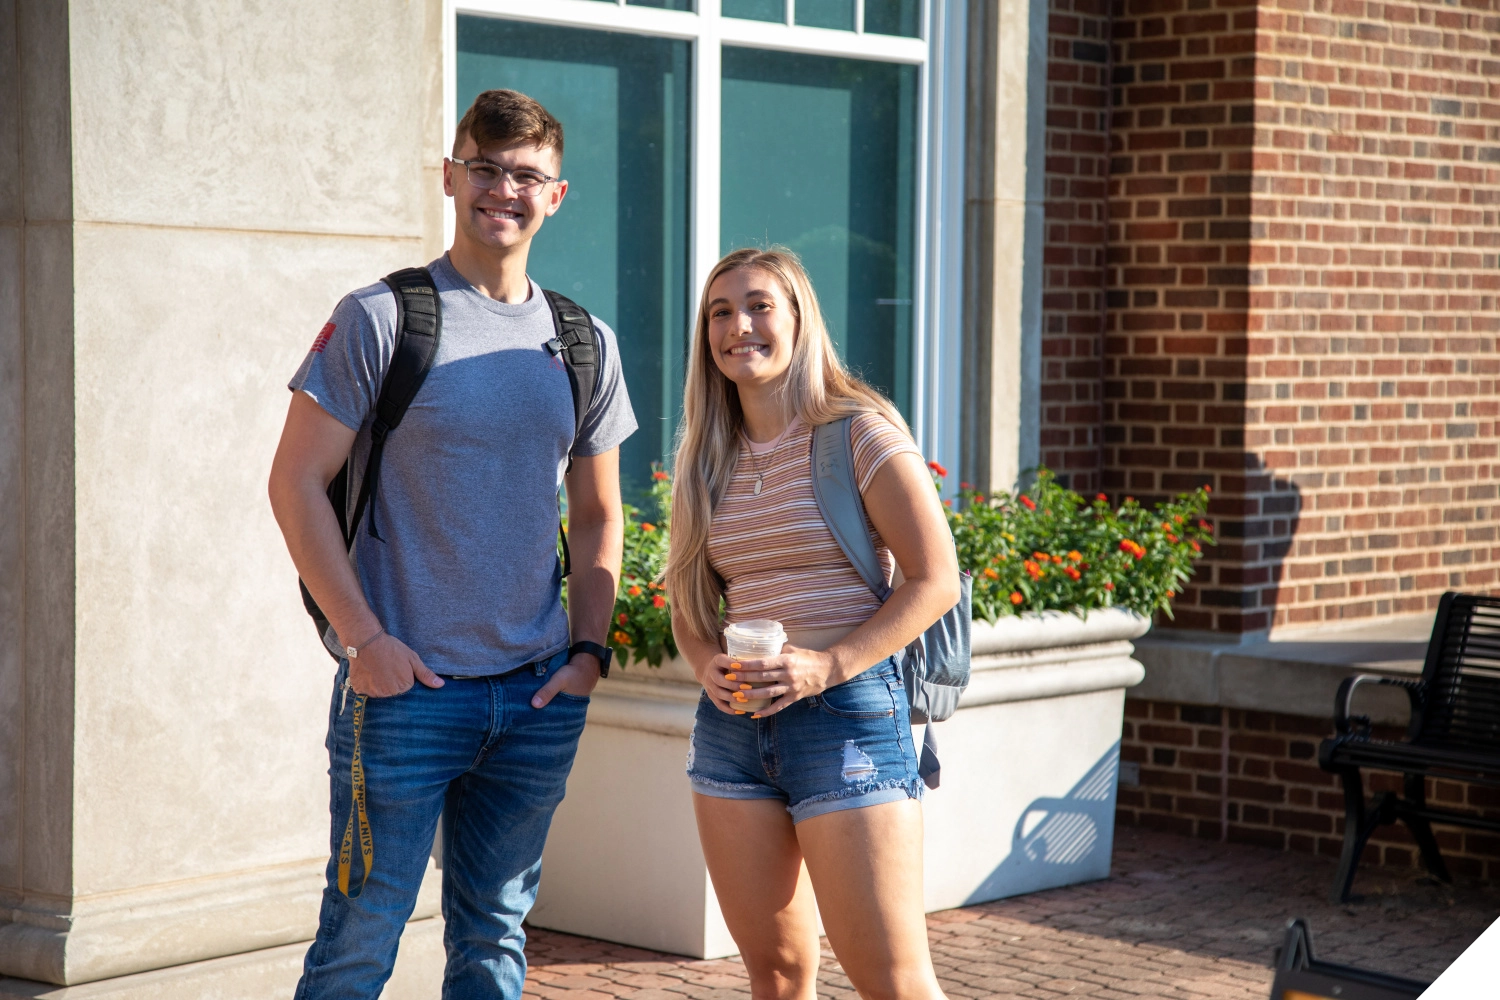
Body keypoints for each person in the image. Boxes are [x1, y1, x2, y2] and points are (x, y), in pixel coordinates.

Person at [267, 89, 636, 999]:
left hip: (537, 694)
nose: (501, 189)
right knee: (360, 940)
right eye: (484, 167)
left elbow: (597, 516)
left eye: (525, 175)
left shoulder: (584, 340)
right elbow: (294, 484)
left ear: (556, 195)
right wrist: (365, 640)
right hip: (404, 695)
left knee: (496, 942)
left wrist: (587, 652)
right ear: (450, 175)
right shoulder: (381, 319)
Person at [664, 247, 960, 1000]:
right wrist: (706, 668)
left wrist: (825, 667)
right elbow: (690, 609)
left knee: (893, 983)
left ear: (799, 318)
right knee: (778, 977)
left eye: (760, 305)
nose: (740, 326)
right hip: (733, 731)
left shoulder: (857, 432)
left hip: (847, 719)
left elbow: (936, 580)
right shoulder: (705, 456)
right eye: (720, 313)